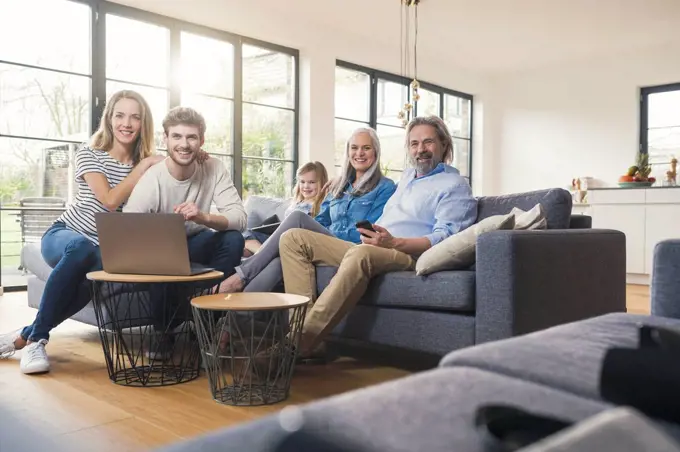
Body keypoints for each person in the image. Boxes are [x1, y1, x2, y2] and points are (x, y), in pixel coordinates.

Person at [278, 116, 478, 358]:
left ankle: (295, 345)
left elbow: (444, 238)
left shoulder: (455, 185)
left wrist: (393, 242)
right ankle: (310, 342)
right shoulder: (407, 177)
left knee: (361, 253)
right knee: (293, 239)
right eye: (414, 144)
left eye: (428, 142)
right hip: (375, 245)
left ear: (444, 144)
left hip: (408, 254)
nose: (420, 150)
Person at [0, 90, 168, 374]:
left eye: (135, 117)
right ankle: (37, 340)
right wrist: (144, 166)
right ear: (109, 119)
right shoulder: (90, 154)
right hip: (65, 235)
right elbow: (110, 201)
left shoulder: (149, 165)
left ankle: (25, 337)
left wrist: (192, 156)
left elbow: (178, 172)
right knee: (82, 249)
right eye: (120, 115)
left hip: (105, 252)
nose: (126, 123)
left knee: (81, 290)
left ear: (143, 123)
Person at [122, 106, 247, 351]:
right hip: (160, 250)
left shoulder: (213, 167)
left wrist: (203, 217)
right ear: (165, 139)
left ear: (201, 140)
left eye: (191, 137)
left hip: (195, 241)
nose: (184, 144)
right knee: (162, 258)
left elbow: (240, 218)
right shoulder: (153, 178)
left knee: (233, 240)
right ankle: (163, 331)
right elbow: (129, 227)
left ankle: (207, 317)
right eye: (177, 136)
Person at [217, 127, 397, 295]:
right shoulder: (339, 185)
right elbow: (321, 220)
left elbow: (371, 230)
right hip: (324, 243)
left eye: (366, 148)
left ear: (375, 152)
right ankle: (234, 322)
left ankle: (240, 276)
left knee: (297, 217)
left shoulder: (385, 187)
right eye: (354, 148)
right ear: (348, 152)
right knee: (281, 259)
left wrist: (325, 233)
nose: (359, 153)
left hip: (353, 248)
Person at [242, 161, 329, 256]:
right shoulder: (296, 202)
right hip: (279, 237)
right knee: (245, 234)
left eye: (311, 182)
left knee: (247, 246)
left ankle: (262, 254)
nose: (306, 186)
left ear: (322, 183)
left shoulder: (323, 205)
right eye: (302, 182)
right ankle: (261, 253)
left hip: (293, 241)